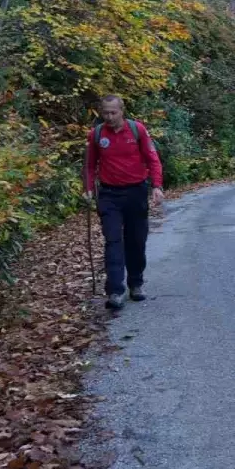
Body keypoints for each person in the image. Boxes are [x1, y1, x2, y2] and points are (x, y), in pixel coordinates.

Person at [83, 94, 165, 310]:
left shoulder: (137, 130)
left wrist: (157, 186)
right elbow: (89, 165)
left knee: (136, 240)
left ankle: (136, 283)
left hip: (136, 192)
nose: (109, 117)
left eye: (113, 112)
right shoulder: (97, 134)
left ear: (122, 111)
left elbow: (152, 159)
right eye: (105, 113)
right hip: (109, 194)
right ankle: (115, 291)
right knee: (113, 241)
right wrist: (88, 188)